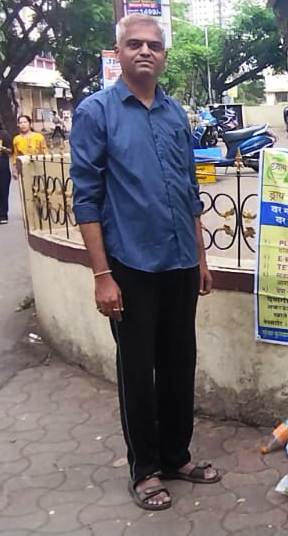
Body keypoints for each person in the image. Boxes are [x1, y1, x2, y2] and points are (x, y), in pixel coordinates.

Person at [70, 13, 219, 512]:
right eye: (133, 44)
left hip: (179, 261)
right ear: (119, 53)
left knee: (180, 364)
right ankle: (146, 470)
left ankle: (177, 456)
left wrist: (199, 257)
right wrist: (101, 275)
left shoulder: (176, 114)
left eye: (153, 45)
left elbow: (190, 190)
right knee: (138, 369)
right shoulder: (96, 112)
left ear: (163, 56)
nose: (144, 52)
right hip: (129, 265)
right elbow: (86, 199)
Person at [0, 128, 12, 224]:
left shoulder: (4, 134)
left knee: (3, 190)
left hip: (2, 166)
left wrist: (3, 149)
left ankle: (3, 214)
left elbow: (11, 151)